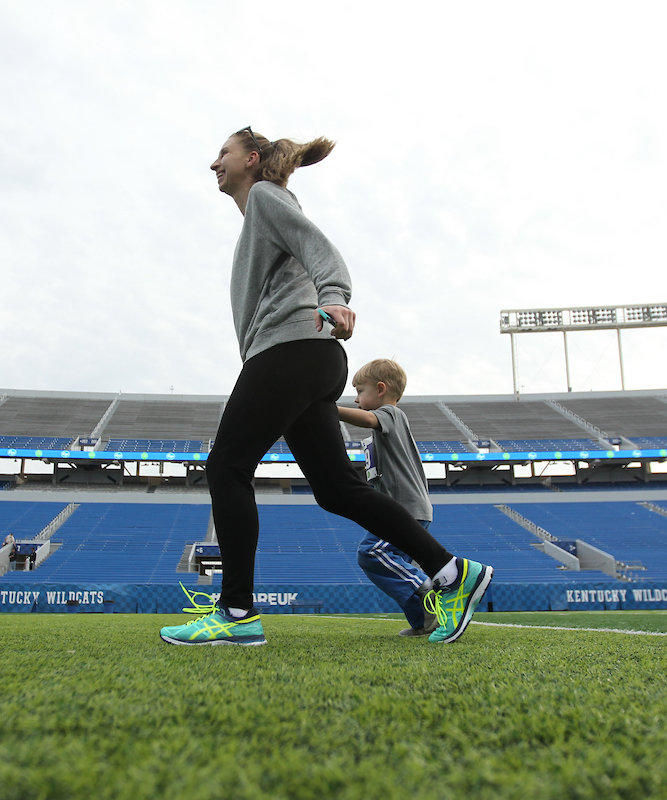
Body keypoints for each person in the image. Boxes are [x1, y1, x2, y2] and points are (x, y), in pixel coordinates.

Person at [159, 127, 494, 646]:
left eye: (222, 153)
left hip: (289, 351)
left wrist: (335, 296)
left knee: (226, 467)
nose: (213, 164)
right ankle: (451, 573)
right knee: (337, 489)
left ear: (251, 159)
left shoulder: (268, 198)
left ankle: (236, 613)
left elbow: (322, 251)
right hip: (309, 359)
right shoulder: (261, 217)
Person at [338, 358, 437, 636]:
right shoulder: (385, 425)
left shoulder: (391, 414)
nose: (357, 400)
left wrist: (330, 410)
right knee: (390, 562)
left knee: (371, 553)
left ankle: (425, 589)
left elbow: (369, 418)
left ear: (380, 389)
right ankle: (424, 623)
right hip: (403, 509)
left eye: (360, 391)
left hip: (406, 509)